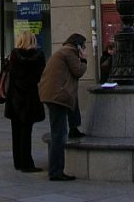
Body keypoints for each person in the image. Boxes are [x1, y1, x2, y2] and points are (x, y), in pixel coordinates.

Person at [38, 32, 87, 182]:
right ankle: (56, 171)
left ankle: (74, 128)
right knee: (59, 135)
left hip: (54, 93)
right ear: (78, 46)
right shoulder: (69, 52)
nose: (85, 48)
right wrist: (83, 59)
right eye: (84, 46)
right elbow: (78, 71)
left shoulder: (64, 51)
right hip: (57, 96)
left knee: (72, 102)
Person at [4, 31, 46, 173]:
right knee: (26, 132)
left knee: (16, 132)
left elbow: (11, 75)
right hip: (30, 97)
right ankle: (27, 163)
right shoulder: (39, 56)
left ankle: (18, 162)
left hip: (15, 98)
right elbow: (41, 75)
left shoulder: (14, 55)